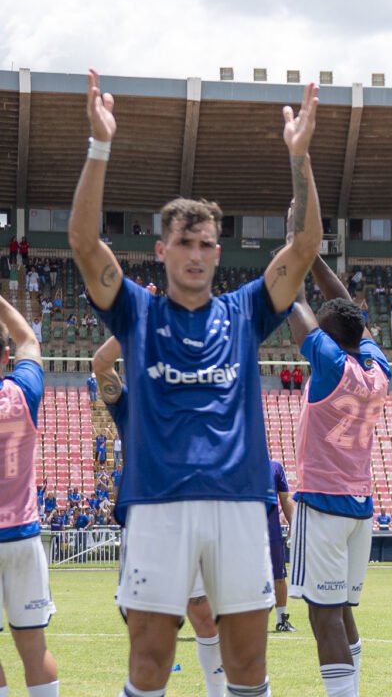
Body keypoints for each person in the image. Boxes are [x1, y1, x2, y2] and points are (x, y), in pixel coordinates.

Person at [70, 70, 322, 697]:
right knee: (150, 661)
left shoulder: (246, 310)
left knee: (246, 666)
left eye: (207, 243)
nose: (197, 254)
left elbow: (307, 242)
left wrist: (300, 156)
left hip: (240, 503)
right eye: (185, 242)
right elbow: (82, 241)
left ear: (217, 252)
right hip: (157, 503)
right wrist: (99, 147)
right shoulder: (136, 312)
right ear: (163, 250)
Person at [92, 336, 227, 697]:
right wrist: (132, 327)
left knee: (205, 617)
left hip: (193, 517)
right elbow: (100, 365)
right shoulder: (130, 401)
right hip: (147, 526)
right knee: (149, 637)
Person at [285, 253, 390, 696]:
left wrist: (294, 255)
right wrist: (312, 257)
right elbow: (345, 309)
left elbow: (294, 305)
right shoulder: (376, 368)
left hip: (323, 504)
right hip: (359, 507)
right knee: (342, 609)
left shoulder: (328, 366)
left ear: (327, 338)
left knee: (322, 615)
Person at [0, 293, 59, 696]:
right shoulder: (21, 393)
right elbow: (29, 341)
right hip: (22, 535)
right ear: (4, 359)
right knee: (34, 649)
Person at [268, 460, 295, 633]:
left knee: (279, 576)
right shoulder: (238, 465)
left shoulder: (275, 467)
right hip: (244, 530)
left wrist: (293, 526)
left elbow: (285, 498)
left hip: (272, 530)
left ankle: (281, 619)